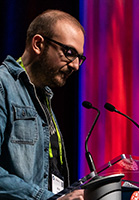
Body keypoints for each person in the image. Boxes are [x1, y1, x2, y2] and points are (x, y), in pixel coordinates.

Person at [0, 9, 86, 200]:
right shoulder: (3, 85)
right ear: (38, 44)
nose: (75, 65)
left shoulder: (43, 97)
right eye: (69, 53)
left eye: (80, 57)